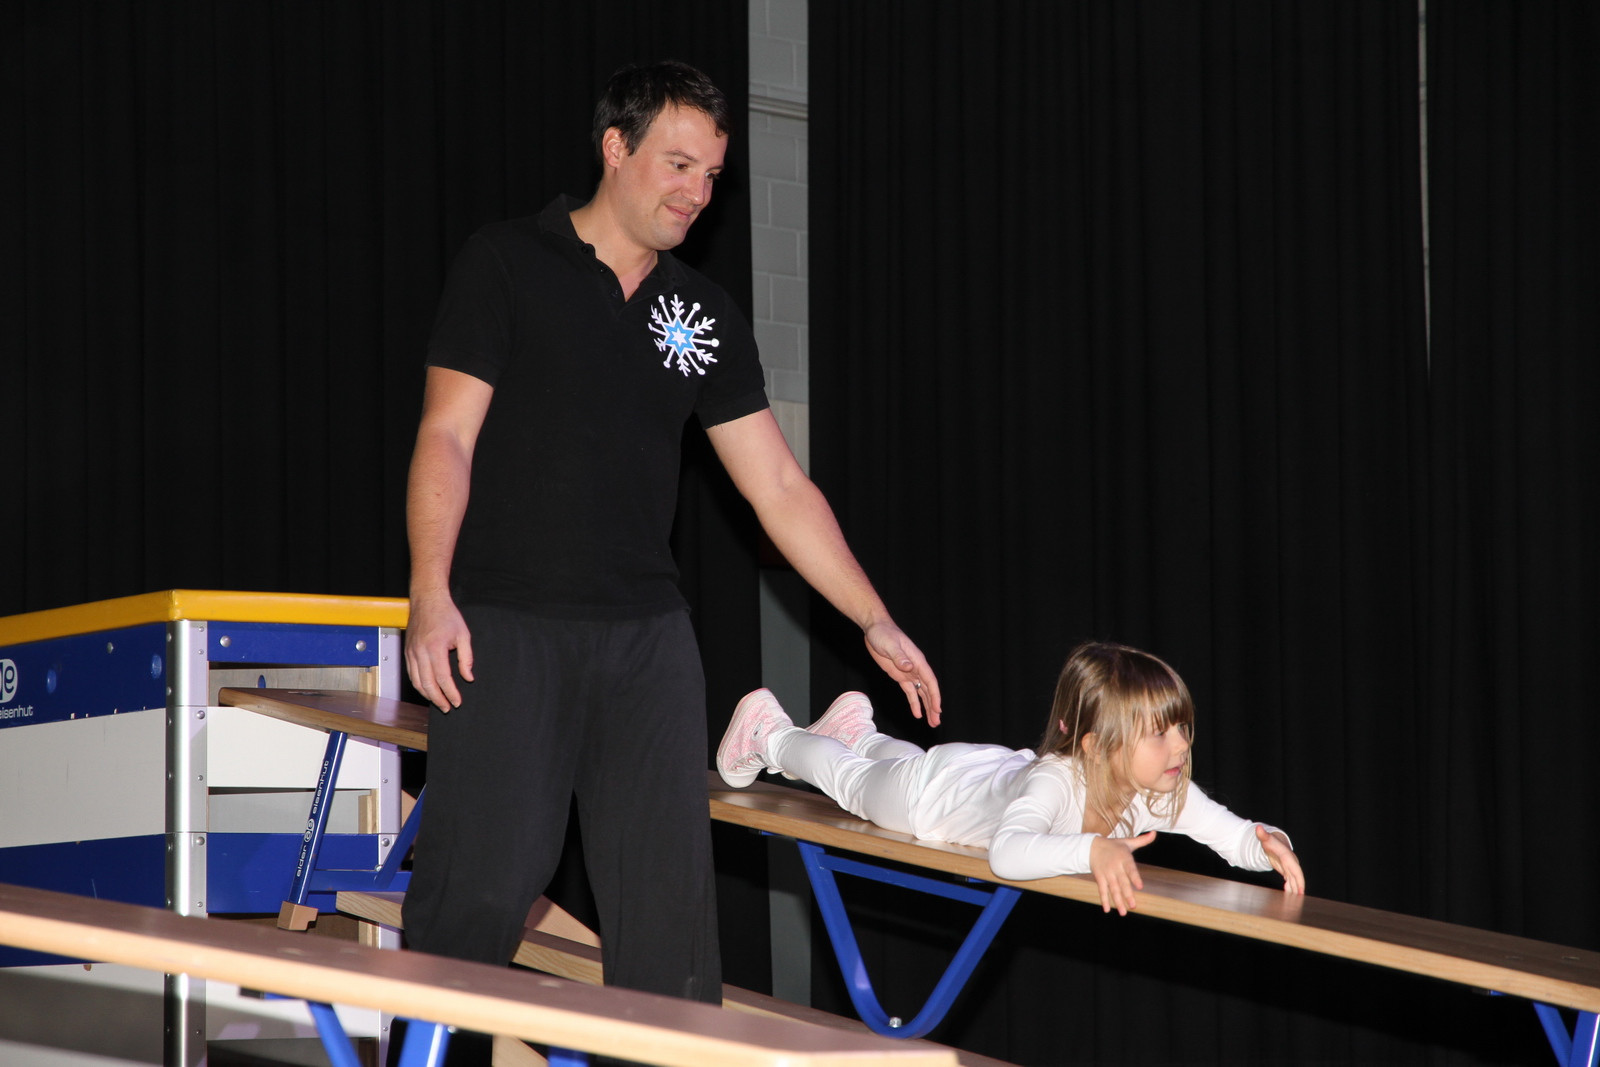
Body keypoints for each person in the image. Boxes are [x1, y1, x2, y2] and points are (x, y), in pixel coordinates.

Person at [400, 59, 941, 1010]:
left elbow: (779, 485)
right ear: (615, 147)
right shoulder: (506, 262)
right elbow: (446, 435)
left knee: (668, 921)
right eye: (679, 165)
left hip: (647, 642)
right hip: (507, 626)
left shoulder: (702, 312)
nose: (697, 193)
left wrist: (873, 617)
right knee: (478, 891)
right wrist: (430, 592)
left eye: (712, 176)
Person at [718, 640, 1302, 916]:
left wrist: (1265, 844)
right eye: (1160, 734)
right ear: (1096, 748)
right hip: (929, 799)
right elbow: (1008, 852)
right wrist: (1091, 849)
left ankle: (857, 732)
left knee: (881, 762)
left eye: (1182, 728)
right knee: (851, 784)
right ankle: (770, 732)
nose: (1180, 746)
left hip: (978, 772)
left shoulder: (1159, 791)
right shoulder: (1057, 784)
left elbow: (1230, 833)